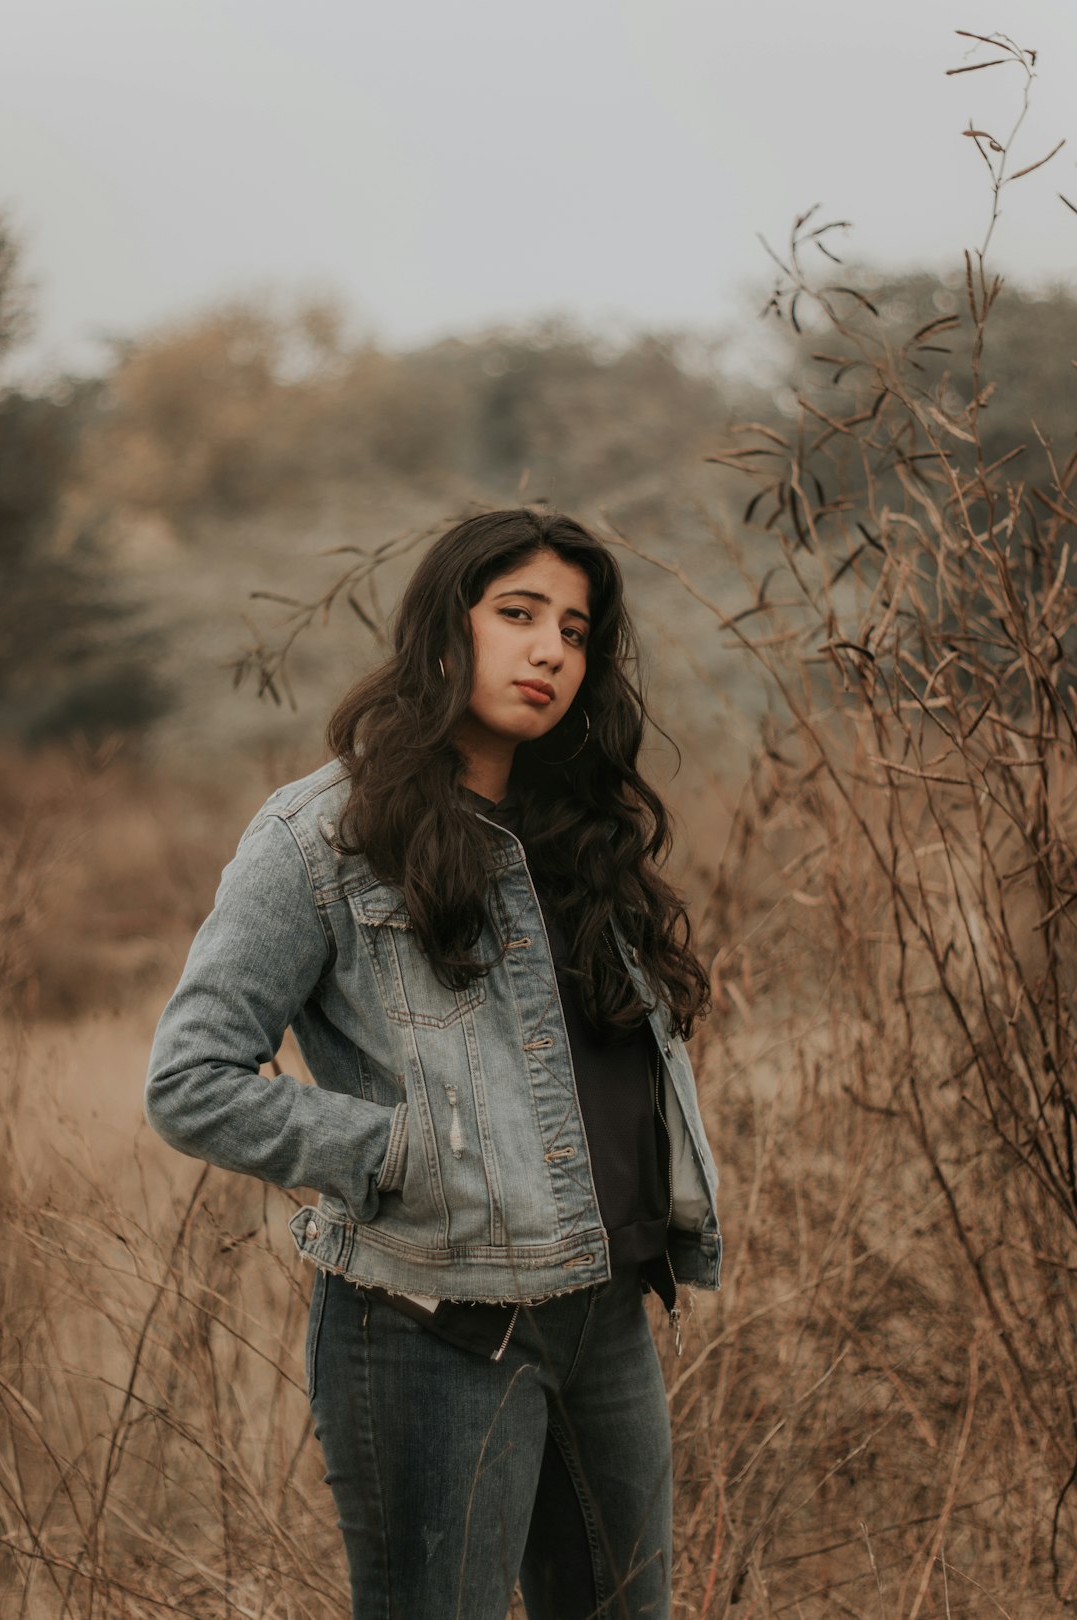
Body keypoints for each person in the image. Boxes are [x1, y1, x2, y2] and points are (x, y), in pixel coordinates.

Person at [145, 507, 722, 1620]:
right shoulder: (322, 837)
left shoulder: (577, 831)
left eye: (575, 628)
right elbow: (190, 1080)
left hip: (604, 1316)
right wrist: (401, 1150)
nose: (551, 648)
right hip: (433, 1328)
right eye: (517, 615)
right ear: (441, 630)